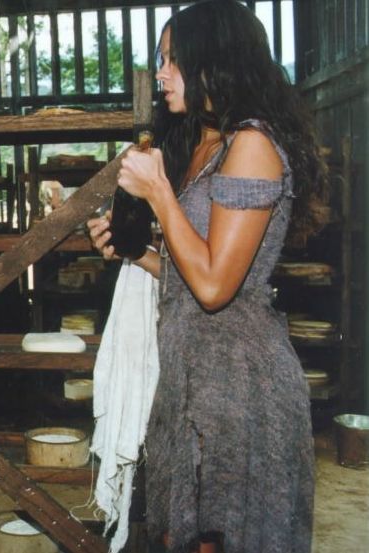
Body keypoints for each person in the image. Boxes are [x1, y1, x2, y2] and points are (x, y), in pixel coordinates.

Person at [87, 1, 326, 552]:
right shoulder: (209, 143)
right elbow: (191, 272)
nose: (162, 73)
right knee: (178, 534)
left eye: (174, 60)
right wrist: (135, 253)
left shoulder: (254, 145)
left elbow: (217, 288)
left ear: (215, 61)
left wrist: (160, 193)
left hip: (239, 385)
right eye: (162, 58)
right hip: (189, 377)